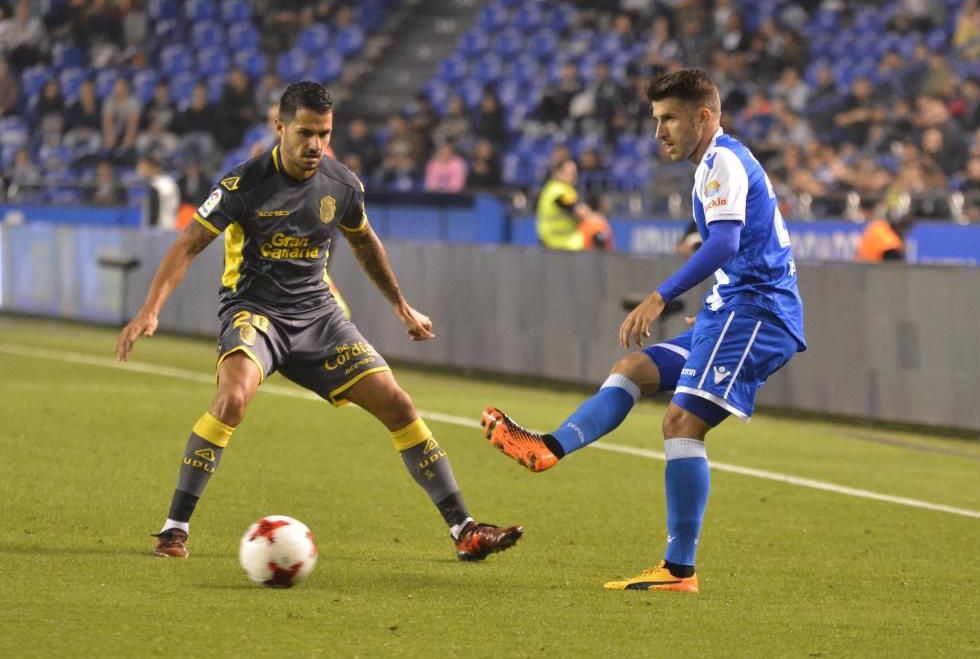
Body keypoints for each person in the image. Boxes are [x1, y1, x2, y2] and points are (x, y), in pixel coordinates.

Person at [115, 82, 522, 562]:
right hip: (255, 312)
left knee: (398, 404)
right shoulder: (242, 184)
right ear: (280, 127)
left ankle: (465, 530)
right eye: (305, 133)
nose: (315, 145)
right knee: (233, 398)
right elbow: (187, 244)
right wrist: (150, 309)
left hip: (319, 316)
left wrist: (401, 305)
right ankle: (174, 529)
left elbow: (366, 243)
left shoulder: (342, 184)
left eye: (324, 134)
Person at [481, 69, 806, 592]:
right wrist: (716, 308)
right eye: (656, 119)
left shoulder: (722, 160)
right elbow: (744, 250)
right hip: (734, 310)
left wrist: (660, 297)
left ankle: (680, 571)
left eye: (669, 118)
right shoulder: (715, 164)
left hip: (757, 314)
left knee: (680, 424)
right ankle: (547, 447)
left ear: (703, 116)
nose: (659, 132)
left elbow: (724, 245)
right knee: (633, 369)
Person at [535, 159, 597, 250]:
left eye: (574, 173)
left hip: (566, 240)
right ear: (558, 173)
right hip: (557, 241)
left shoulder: (566, 189)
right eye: (569, 173)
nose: (573, 176)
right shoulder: (556, 189)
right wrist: (594, 216)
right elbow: (573, 208)